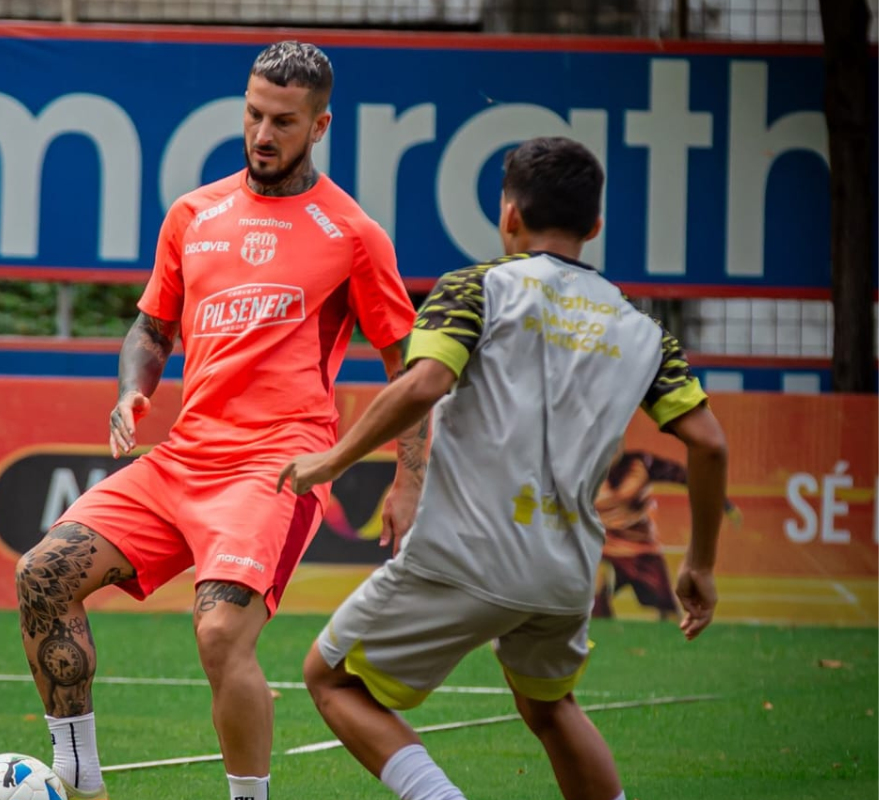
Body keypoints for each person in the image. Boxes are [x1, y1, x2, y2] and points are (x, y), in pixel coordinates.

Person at [14, 40, 424, 800]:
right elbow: (151, 328)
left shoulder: (353, 234)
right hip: (180, 461)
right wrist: (132, 390)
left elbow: (410, 368)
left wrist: (410, 477)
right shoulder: (193, 213)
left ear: (320, 126)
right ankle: (78, 780)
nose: (263, 134)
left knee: (220, 634)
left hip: (277, 468)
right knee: (42, 575)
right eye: (254, 114)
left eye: (284, 122)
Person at [277, 136, 728, 800]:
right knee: (550, 708)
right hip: (566, 573)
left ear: (508, 214)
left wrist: (332, 459)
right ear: (594, 227)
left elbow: (424, 382)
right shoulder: (641, 330)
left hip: (466, 555)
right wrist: (701, 565)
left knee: (330, 679)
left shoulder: (476, 288)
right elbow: (710, 444)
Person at [593, 444, 741, 621]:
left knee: (669, 616)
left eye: (615, 442)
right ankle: (604, 633)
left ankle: (672, 632)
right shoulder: (584, 470)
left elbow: (686, 477)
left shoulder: (642, 463)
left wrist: (724, 503)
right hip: (605, 552)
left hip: (643, 554)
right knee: (595, 585)